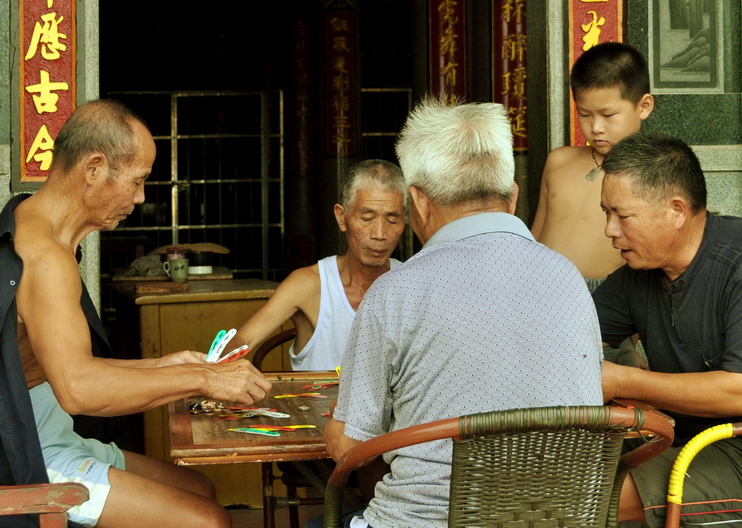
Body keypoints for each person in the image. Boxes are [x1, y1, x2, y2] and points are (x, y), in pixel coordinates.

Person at [0, 99, 272, 528]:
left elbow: (60, 364)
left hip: (48, 433)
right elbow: (79, 389)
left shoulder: (31, 222)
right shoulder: (45, 257)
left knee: (199, 489)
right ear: (93, 168)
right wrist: (205, 378)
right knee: (207, 521)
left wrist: (163, 366)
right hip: (22, 454)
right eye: (138, 180)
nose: (141, 197)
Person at [320, 97, 604, 528]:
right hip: (554, 520)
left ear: (418, 203)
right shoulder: (567, 278)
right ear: (513, 197)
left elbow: (348, 446)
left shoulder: (396, 290)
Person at [594, 131, 742, 526]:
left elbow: (738, 390)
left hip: (734, 448)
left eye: (622, 216)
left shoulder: (736, 264)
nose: (609, 230)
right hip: (679, 440)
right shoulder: (635, 277)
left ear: (676, 209)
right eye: (605, 213)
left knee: (587, 494)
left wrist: (624, 382)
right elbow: (572, 337)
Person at [224, 159, 408, 371]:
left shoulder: (413, 285)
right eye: (367, 218)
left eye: (392, 221)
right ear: (341, 217)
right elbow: (244, 338)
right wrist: (206, 371)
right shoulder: (309, 285)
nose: (379, 234)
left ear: (406, 220)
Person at [531, 41, 655, 288]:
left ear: (644, 106)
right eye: (585, 114)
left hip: (612, 295)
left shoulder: (656, 172)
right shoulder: (559, 161)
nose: (596, 127)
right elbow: (535, 238)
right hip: (542, 288)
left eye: (608, 115)